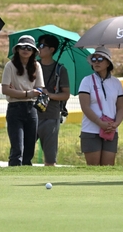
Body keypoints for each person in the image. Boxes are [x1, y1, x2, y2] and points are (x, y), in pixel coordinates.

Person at [1, 35, 44, 166]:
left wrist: (18, 92)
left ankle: (25, 179)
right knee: (17, 149)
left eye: (29, 48)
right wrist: (27, 93)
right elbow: (5, 90)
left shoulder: (36, 66)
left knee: (29, 149)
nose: (26, 50)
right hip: (15, 108)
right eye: (23, 47)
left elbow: (39, 89)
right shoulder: (10, 65)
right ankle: (12, 178)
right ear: (18, 49)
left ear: (33, 52)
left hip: (31, 109)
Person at [78, 46, 123, 166]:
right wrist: (100, 123)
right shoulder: (86, 81)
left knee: (108, 167)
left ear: (108, 63)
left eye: (100, 59)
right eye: (94, 59)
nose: (96, 62)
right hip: (91, 130)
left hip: (111, 130)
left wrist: (116, 124)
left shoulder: (116, 83)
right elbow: (85, 107)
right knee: (93, 168)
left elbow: (120, 107)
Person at [36, 34, 71, 166]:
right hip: (31, 115)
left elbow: (65, 94)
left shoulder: (60, 70)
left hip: (51, 116)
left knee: (50, 159)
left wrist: (49, 94)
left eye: (42, 46)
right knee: (23, 154)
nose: (38, 48)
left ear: (52, 50)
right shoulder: (32, 66)